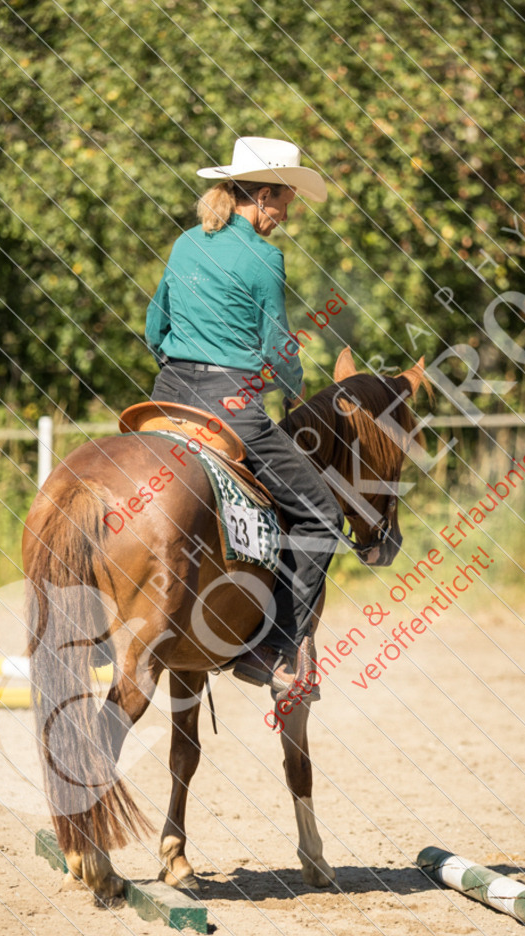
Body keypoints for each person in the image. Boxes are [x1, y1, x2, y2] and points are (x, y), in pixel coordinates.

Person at [145, 136, 343, 694]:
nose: (287, 213)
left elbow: (154, 327)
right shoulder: (264, 257)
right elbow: (280, 350)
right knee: (321, 514)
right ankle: (273, 651)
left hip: (166, 396)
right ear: (261, 195)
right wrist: (294, 395)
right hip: (232, 409)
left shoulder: (185, 244)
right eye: (284, 201)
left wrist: (181, 370)